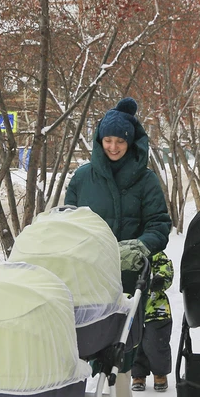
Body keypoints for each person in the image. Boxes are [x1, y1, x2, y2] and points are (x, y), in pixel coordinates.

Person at [65, 97, 171, 287]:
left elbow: (159, 225)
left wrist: (139, 247)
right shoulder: (82, 178)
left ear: (130, 142)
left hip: (132, 278)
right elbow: (67, 224)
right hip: (88, 277)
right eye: (108, 140)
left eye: (120, 141)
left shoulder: (146, 180)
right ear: (100, 140)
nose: (113, 147)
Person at [131, 251, 173, 392]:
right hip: (132, 306)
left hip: (156, 309)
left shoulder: (155, 253)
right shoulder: (125, 252)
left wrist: (161, 278)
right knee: (134, 344)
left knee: (156, 343)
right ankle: (138, 374)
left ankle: (160, 373)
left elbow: (165, 267)